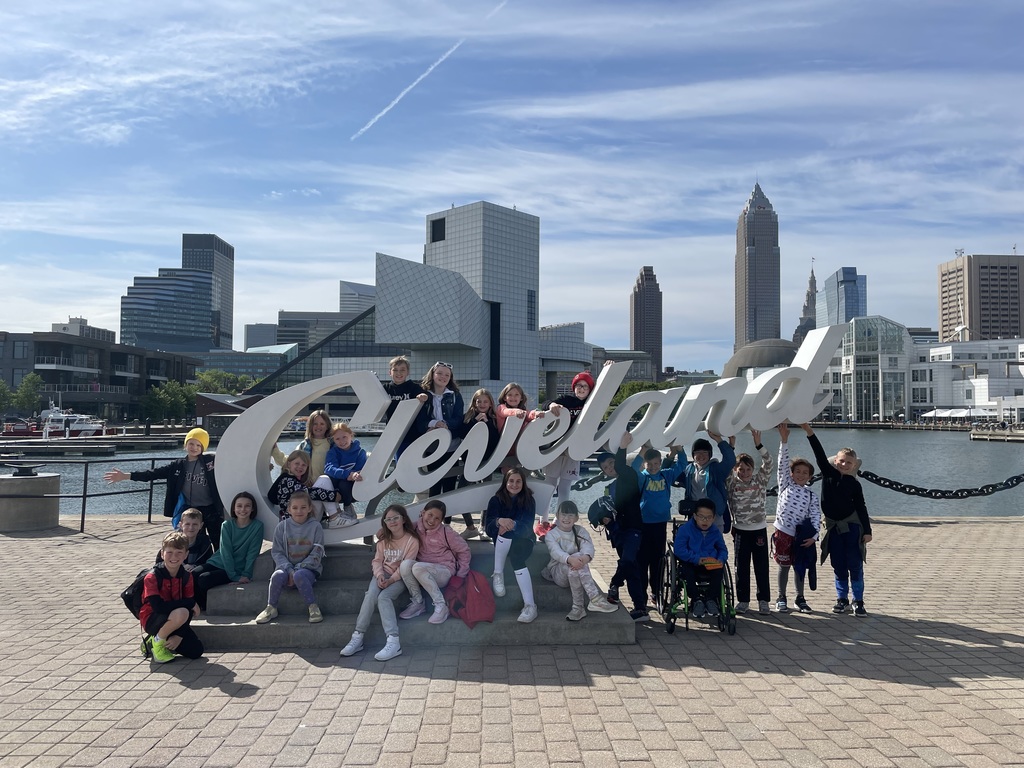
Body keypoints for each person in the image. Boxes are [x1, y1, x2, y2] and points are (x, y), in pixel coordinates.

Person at [105, 427, 225, 549]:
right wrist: (125, 476)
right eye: (191, 443)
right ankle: (195, 566)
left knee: (218, 541)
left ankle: (220, 566)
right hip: (190, 510)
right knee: (193, 543)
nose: (194, 447)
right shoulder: (177, 465)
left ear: (203, 448)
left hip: (211, 509)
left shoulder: (211, 462)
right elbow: (152, 474)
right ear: (185, 444)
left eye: (198, 445)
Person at [801, 423, 872, 617]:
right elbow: (818, 453)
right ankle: (842, 599)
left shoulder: (855, 485)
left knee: (855, 564)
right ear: (835, 461)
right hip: (832, 528)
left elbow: (861, 507)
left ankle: (858, 600)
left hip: (851, 528)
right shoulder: (828, 474)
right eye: (841, 461)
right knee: (838, 564)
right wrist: (809, 432)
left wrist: (867, 531)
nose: (844, 465)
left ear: (854, 465)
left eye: (848, 463)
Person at [340, 504, 421, 661]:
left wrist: (391, 580)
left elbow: (406, 565)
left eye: (395, 518)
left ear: (403, 519)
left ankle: (393, 641)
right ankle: (358, 637)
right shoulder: (384, 540)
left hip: (401, 577)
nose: (392, 522)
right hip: (383, 574)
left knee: (384, 598)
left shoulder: (412, 541)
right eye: (388, 519)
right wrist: (379, 576)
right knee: (371, 595)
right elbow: (377, 561)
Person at [594, 432, 648, 621]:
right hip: (619, 532)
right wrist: (604, 519)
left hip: (634, 529)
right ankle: (640, 608)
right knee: (631, 567)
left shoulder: (629, 475)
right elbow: (607, 510)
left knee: (627, 561)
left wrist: (623, 446)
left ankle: (614, 584)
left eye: (611, 464)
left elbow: (620, 466)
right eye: (606, 468)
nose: (610, 468)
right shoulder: (611, 487)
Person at [255, 492, 326, 625]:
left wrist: (298, 568)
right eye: (295, 508)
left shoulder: (316, 526)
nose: (299, 511)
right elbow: (277, 552)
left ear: (310, 508)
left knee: (299, 576)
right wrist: (289, 569)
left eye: (303, 507)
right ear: (289, 509)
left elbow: (317, 552)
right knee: (276, 576)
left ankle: (312, 606)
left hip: (308, 570)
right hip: (286, 569)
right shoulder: (282, 527)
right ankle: (271, 607)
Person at [539, 371, 595, 536]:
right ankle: (543, 520)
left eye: (584, 386)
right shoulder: (566, 401)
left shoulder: (592, 403)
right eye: (578, 385)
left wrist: (610, 369)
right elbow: (546, 404)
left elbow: (611, 392)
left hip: (574, 450)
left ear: (590, 389)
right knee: (548, 485)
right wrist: (551, 405)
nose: (581, 389)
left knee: (565, 487)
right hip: (557, 447)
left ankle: (558, 520)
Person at [398, 499, 471, 625]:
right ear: (423, 512)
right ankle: (418, 602)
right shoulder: (414, 527)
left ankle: (441, 605)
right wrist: (382, 531)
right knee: (405, 565)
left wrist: (460, 575)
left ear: (441, 520)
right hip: (421, 572)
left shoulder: (446, 532)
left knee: (417, 567)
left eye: (437, 518)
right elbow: (396, 529)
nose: (432, 521)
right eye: (430, 515)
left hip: (443, 571)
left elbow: (464, 551)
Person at [773, 423, 820, 613]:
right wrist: (784, 441)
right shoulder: (785, 485)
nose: (801, 475)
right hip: (783, 532)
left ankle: (800, 598)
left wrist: (814, 537)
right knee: (783, 566)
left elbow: (816, 516)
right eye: (797, 472)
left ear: (810, 477)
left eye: (805, 473)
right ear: (791, 474)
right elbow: (782, 464)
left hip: (801, 537)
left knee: (799, 566)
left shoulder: (811, 496)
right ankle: (781, 596)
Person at [542, 501, 618, 620]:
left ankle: (578, 609)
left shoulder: (580, 531)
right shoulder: (551, 535)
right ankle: (595, 599)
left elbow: (588, 547)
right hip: (558, 573)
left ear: (576, 518)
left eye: (571, 515)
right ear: (557, 515)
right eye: (563, 515)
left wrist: (584, 558)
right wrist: (570, 559)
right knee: (575, 562)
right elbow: (556, 552)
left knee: (576, 566)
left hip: (575, 569)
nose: (566, 518)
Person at [191, 491, 265, 611]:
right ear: (234, 508)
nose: (243, 509)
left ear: (252, 509)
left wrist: (242, 575)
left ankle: (204, 606)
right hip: (217, 561)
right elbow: (226, 552)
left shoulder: (257, 526)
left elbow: (253, 553)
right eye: (239, 506)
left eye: (247, 506)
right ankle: (195, 606)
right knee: (193, 575)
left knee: (204, 579)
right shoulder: (227, 525)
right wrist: (234, 576)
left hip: (235, 567)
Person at [483, 467, 539, 623]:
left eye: (518, 481)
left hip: (524, 540)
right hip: (503, 542)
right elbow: (488, 528)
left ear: (523, 482)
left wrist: (512, 524)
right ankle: (498, 573)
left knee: (516, 558)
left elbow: (528, 528)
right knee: (504, 532)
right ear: (505, 482)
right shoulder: (496, 500)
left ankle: (530, 606)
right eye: (511, 481)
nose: (515, 484)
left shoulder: (529, 500)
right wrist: (498, 521)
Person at [726, 429, 772, 615]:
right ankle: (743, 600)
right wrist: (731, 445)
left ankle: (763, 601)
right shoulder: (731, 483)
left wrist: (758, 444)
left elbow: (768, 462)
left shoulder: (760, 480)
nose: (744, 472)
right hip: (740, 531)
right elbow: (726, 465)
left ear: (753, 469)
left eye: (748, 469)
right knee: (741, 567)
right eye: (741, 469)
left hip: (759, 530)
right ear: (736, 469)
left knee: (761, 567)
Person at [139, 531, 204, 663]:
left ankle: (153, 640)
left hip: (175, 618)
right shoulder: (152, 577)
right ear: (162, 553)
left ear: (186, 555)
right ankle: (158, 643)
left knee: (196, 651)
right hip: (153, 619)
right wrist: (189, 603)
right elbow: (159, 607)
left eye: (179, 552)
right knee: (182, 611)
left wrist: (179, 635)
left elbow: (189, 610)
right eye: (169, 552)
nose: (174, 556)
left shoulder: (187, 576)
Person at [637, 443, 684, 614]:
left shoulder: (666, 475)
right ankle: (640, 594)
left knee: (657, 560)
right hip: (644, 524)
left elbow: (682, 465)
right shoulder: (642, 477)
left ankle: (656, 592)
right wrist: (642, 452)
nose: (654, 467)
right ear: (645, 464)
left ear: (660, 462)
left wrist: (679, 450)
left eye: (657, 463)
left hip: (660, 524)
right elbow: (634, 470)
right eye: (650, 464)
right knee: (642, 561)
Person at [454, 388, 501, 539]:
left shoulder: (494, 419)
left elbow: (495, 441)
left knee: (486, 494)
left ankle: (483, 526)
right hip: (469, 463)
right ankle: (470, 526)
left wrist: (487, 423)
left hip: (487, 462)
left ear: (490, 403)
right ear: (474, 402)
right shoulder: (467, 417)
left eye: (485, 401)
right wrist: (475, 422)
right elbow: (461, 433)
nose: (482, 404)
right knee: (460, 492)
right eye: (478, 401)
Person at [415, 362, 465, 499]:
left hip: (451, 445)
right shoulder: (424, 395)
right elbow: (420, 421)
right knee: (434, 482)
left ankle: (447, 518)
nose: (443, 377)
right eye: (439, 373)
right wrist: (434, 423)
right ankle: (433, 517)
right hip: (432, 445)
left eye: (447, 375)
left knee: (450, 482)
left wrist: (444, 423)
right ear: (432, 374)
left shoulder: (455, 395)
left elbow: (458, 419)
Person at [672, 499, 729, 618]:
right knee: (688, 571)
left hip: (710, 563)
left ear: (713, 518)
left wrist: (720, 559)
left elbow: (722, 549)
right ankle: (696, 600)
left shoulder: (715, 531)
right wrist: (697, 559)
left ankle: (711, 599)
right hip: (691, 562)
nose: (705, 520)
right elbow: (679, 550)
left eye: (709, 517)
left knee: (719, 570)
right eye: (701, 517)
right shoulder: (685, 530)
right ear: (694, 516)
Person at [676, 430, 736, 533]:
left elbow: (730, 460)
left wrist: (719, 440)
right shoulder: (689, 470)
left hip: (714, 515)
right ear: (693, 455)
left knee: (713, 547)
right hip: (695, 515)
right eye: (697, 452)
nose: (701, 455)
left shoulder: (716, 469)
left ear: (710, 454)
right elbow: (671, 474)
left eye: (704, 452)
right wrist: (676, 450)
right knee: (696, 546)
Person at [268, 449, 339, 522]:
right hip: (298, 519)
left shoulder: (296, 479)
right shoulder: (287, 480)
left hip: (302, 516)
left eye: (303, 465)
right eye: (297, 463)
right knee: (323, 480)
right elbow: (308, 493)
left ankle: (336, 514)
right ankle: (335, 517)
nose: (300, 467)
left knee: (323, 481)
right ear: (289, 464)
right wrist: (333, 496)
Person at [382, 356, 428, 459]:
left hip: (412, 433)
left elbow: (426, 397)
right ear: (390, 372)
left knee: (413, 460)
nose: (399, 373)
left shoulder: (414, 387)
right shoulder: (385, 389)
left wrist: (423, 396)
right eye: (395, 370)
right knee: (399, 459)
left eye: (402, 370)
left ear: (408, 372)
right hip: (394, 433)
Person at [323, 423, 367, 527]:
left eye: (344, 437)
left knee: (344, 483)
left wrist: (354, 475)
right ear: (333, 440)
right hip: (337, 486)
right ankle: (335, 513)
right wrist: (348, 474)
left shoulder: (360, 452)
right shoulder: (333, 452)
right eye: (338, 439)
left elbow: (361, 470)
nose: (342, 441)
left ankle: (348, 507)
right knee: (326, 480)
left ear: (351, 435)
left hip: (353, 486)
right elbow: (329, 468)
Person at [496, 382, 544, 472]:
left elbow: (529, 414)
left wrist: (536, 414)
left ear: (521, 397)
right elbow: (505, 412)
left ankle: (534, 470)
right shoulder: (501, 407)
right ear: (504, 398)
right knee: (508, 474)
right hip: (504, 450)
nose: (513, 398)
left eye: (516, 395)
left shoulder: (522, 411)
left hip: (519, 449)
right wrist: (516, 412)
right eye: (509, 395)